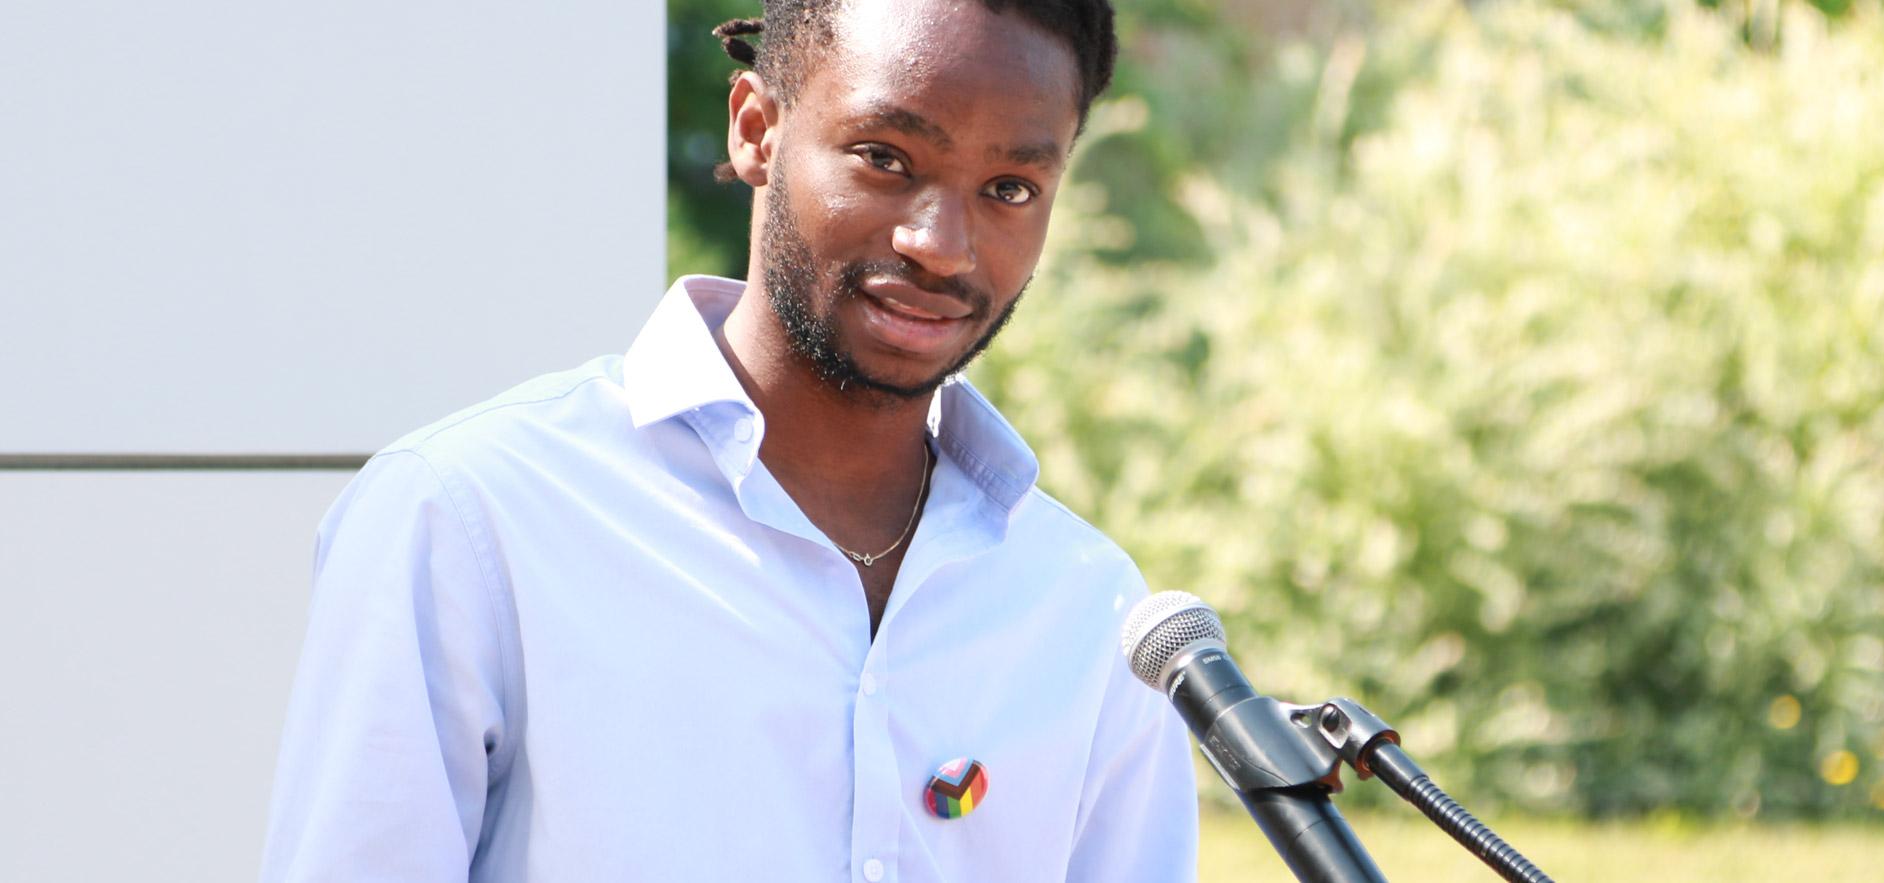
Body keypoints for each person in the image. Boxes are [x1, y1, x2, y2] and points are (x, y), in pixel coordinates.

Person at [259, 0, 1199, 879]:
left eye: (1009, 187)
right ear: (757, 127)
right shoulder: (471, 519)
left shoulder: (1087, 608)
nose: (941, 243)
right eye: (885, 156)